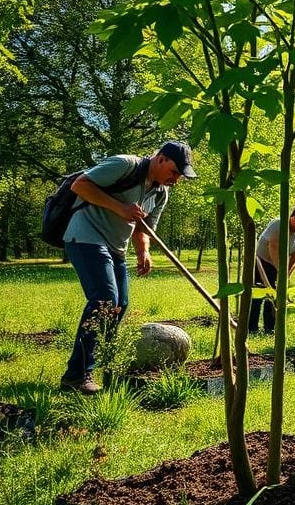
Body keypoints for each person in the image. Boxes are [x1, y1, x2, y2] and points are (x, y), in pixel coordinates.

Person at [60, 141, 197, 394]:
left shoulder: (160, 193)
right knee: (104, 300)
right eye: (175, 172)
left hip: (115, 247)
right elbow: (79, 185)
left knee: (120, 305)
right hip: (86, 236)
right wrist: (120, 208)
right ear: (162, 159)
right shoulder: (124, 165)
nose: (176, 180)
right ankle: (77, 375)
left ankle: (106, 363)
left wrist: (143, 251)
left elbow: (143, 228)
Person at [249, 204, 295, 334]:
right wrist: (280, 269)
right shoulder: (279, 224)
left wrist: (287, 272)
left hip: (278, 265)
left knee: (274, 296)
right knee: (258, 293)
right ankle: (252, 327)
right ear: (292, 217)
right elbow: (272, 247)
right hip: (262, 261)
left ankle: (269, 327)